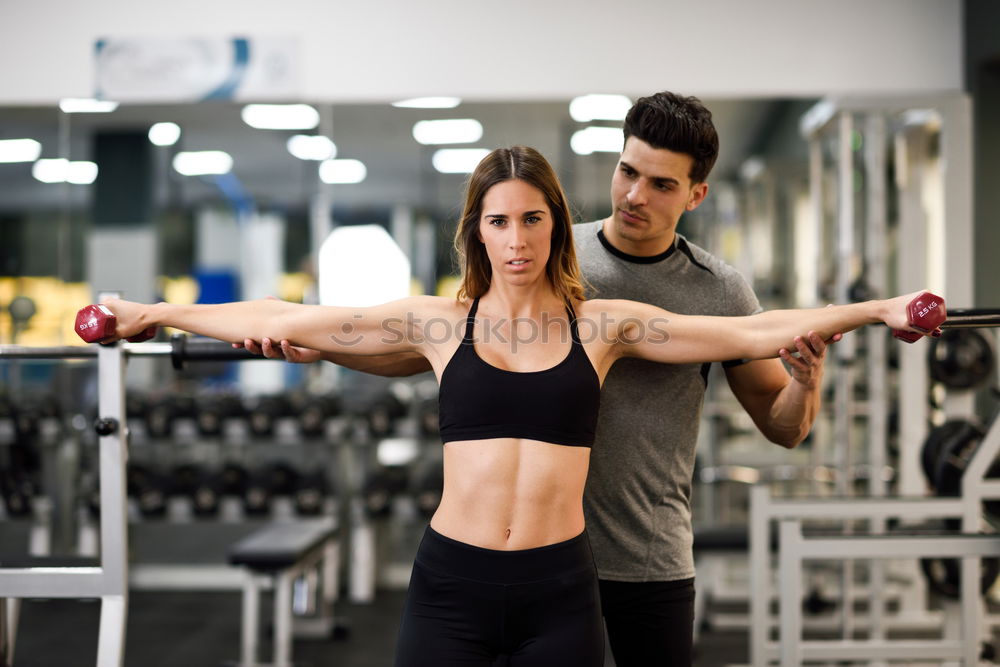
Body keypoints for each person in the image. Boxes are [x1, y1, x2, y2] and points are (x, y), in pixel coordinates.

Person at [96, 146, 935, 667]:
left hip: (559, 587)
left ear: (556, 228)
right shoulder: (435, 320)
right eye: (500, 221)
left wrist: (876, 310)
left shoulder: (604, 325)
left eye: (534, 218)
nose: (518, 238)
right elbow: (281, 319)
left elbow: (758, 330)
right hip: (450, 584)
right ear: (478, 232)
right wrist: (153, 314)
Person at [243, 92, 838, 666]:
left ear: (696, 194)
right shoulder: (542, 248)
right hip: (535, 556)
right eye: (627, 171)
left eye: (661, 184)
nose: (635, 194)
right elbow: (437, 350)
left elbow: (782, 426)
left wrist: (805, 383)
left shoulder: (718, 290)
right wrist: (325, 348)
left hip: (645, 557)